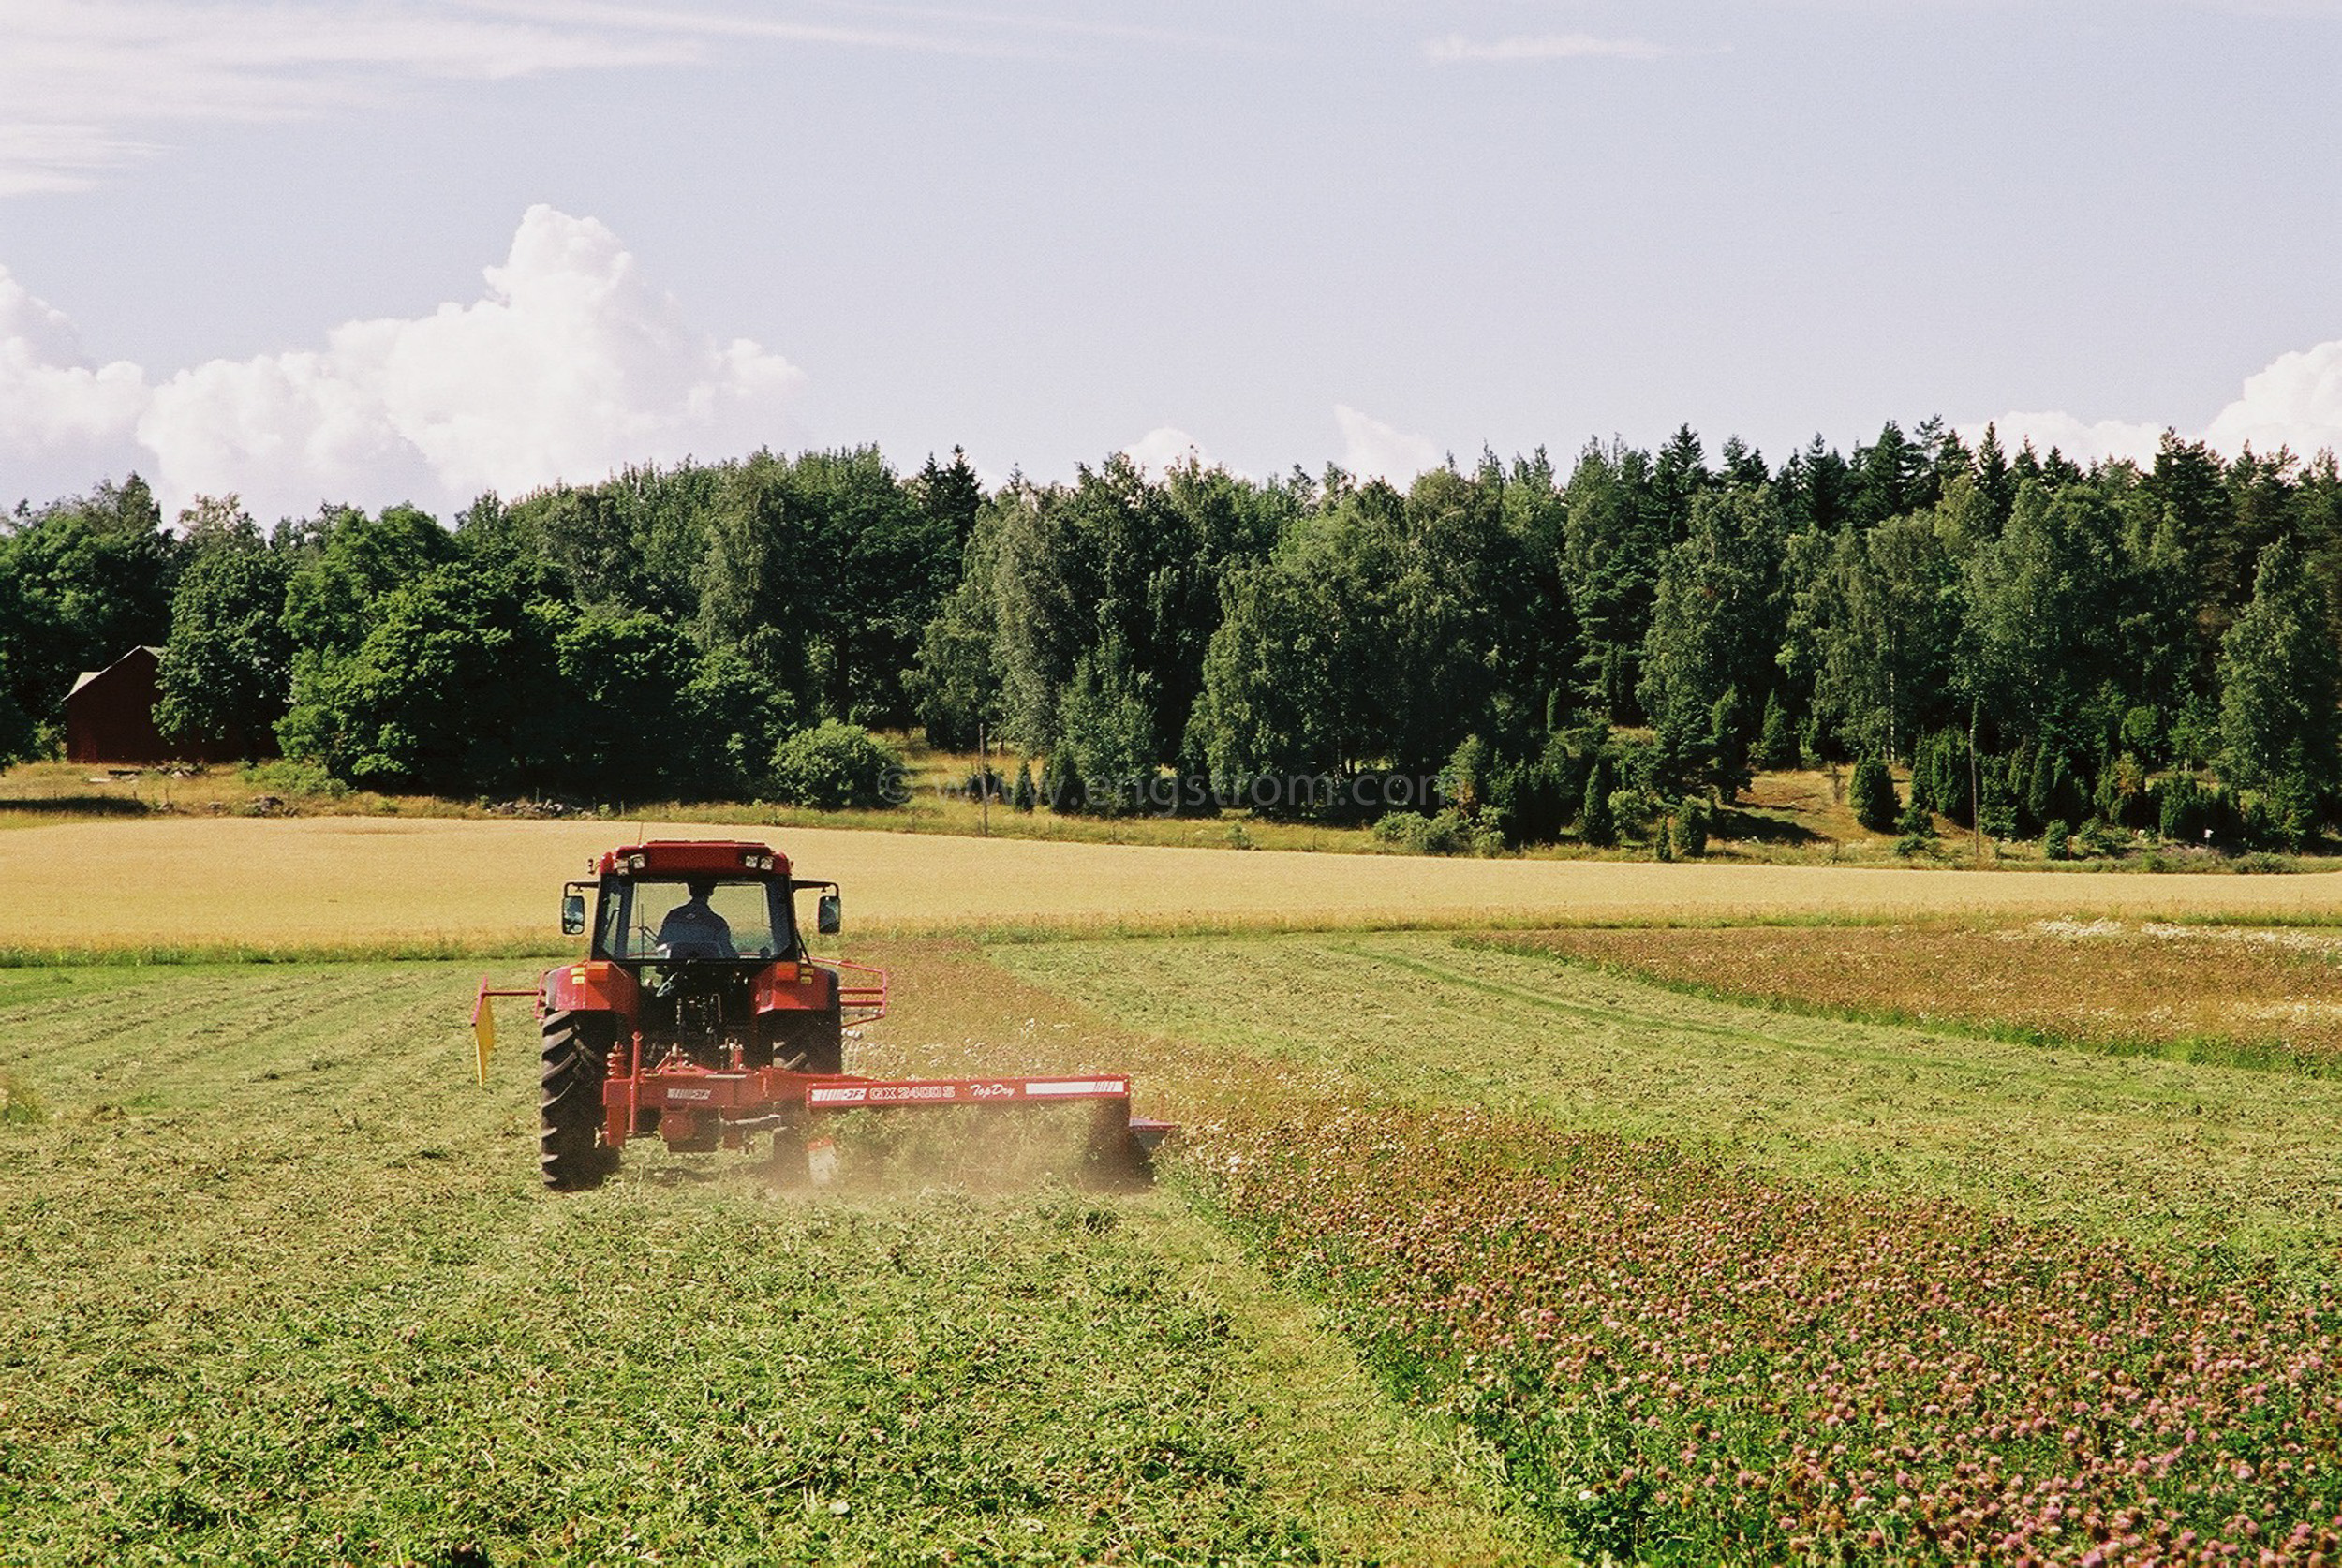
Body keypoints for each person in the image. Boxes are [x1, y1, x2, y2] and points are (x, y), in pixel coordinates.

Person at [656, 879, 736, 959]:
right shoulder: (717, 922)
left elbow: (661, 947)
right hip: (708, 970)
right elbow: (727, 953)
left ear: (690, 891)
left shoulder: (672, 917)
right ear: (711, 892)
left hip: (675, 969)